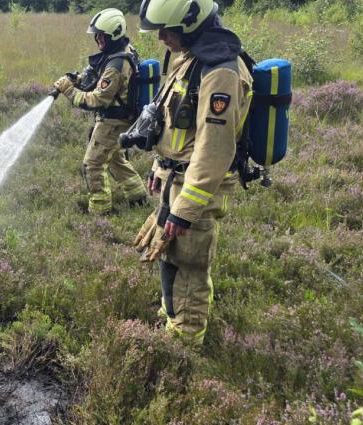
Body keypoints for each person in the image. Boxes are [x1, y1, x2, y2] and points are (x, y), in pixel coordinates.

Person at [132, 0, 253, 345]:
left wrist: (186, 209)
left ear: (191, 24)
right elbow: (174, 123)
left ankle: (184, 342)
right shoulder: (190, 59)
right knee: (169, 253)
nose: (161, 38)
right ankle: (171, 314)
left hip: (198, 185)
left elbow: (215, 148)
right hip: (177, 177)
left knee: (188, 262)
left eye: (167, 31)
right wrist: (160, 164)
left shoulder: (221, 73)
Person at [52, 8, 148, 215]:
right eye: (97, 35)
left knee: (93, 164)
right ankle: (139, 197)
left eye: (101, 35)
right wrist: (77, 80)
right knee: (114, 159)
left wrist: (69, 90)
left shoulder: (116, 65)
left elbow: (97, 99)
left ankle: (99, 211)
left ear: (113, 34)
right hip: (123, 118)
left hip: (113, 122)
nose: (98, 39)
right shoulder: (122, 51)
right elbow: (98, 77)